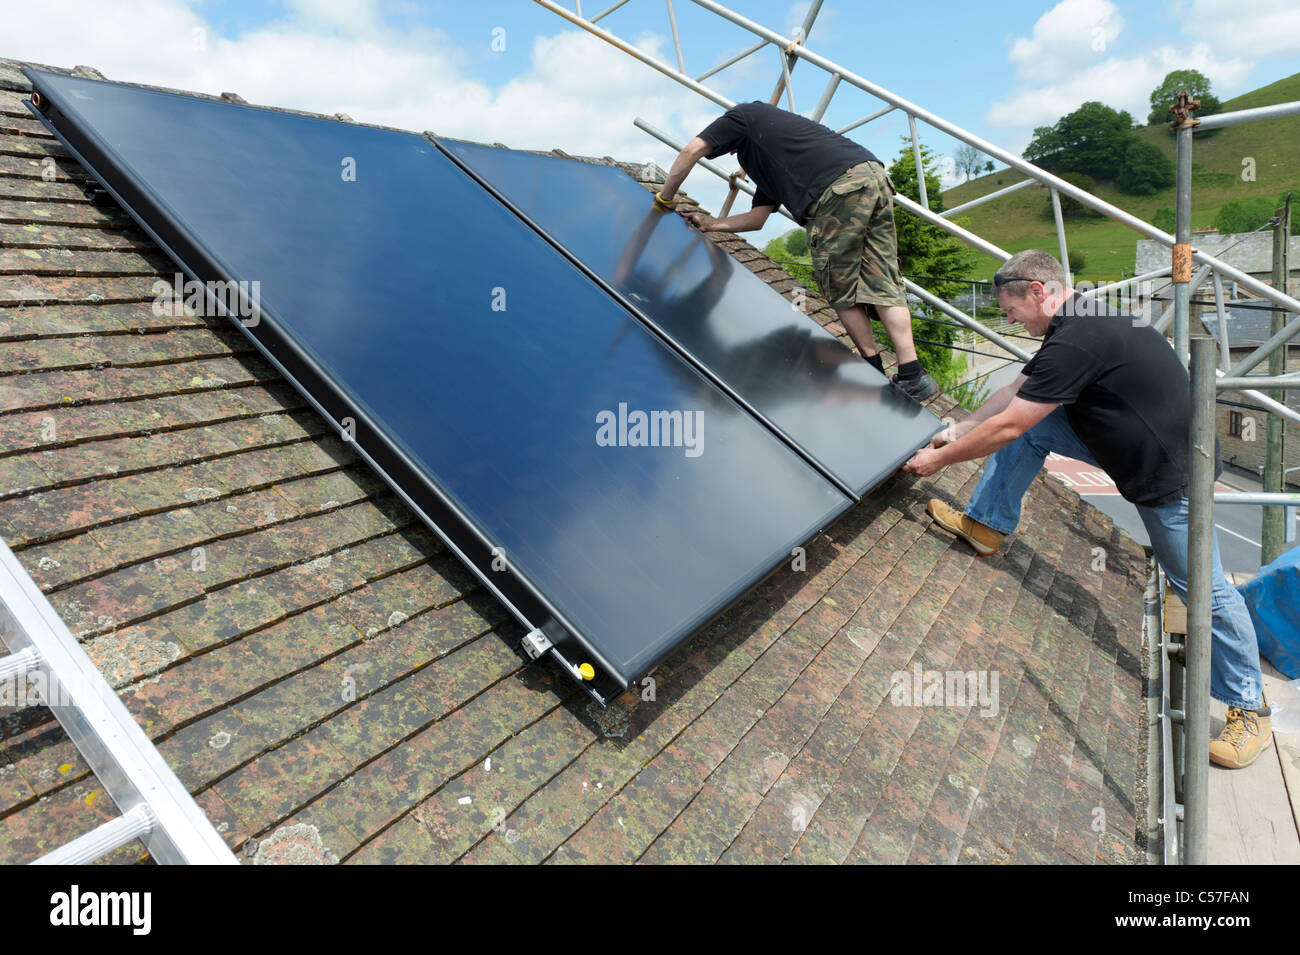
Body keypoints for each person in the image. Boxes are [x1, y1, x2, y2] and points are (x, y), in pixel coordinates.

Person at [902, 249, 1271, 769]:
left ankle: (1249, 710)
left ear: (1038, 291)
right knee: (1033, 427)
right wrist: (957, 431)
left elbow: (1009, 425)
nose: (1010, 320)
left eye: (1011, 310)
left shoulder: (1076, 340)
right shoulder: (1082, 318)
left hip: (1169, 478)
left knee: (1203, 592)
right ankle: (986, 526)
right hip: (1141, 448)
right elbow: (1015, 394)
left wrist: (935, 462)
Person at [653, 100, 937, 401]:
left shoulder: (742, 116)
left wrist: (665, 198)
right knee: (881, 279)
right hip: (872, 176)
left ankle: (871, 368)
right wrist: (710, 224)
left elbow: (691, 150)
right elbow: (757, 219)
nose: (730, 153)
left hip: (838, 190)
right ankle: (912, 374)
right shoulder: (770, 151)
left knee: (839, 285)